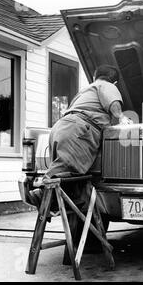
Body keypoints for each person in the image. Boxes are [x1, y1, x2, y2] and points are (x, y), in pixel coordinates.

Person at [27, 64, 132, 207]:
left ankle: (60, 201)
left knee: (68, 172)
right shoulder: (107, 85)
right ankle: (42, 194)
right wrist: (121, 117)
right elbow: (113, 102)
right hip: (78, 129)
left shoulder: (85, 91)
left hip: (61, 127)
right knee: (66, 168)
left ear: (95, 77)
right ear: (115, 83)